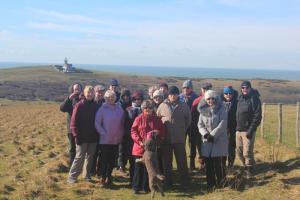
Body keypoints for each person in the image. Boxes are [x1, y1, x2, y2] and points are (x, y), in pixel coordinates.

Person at [157, 86, 191, 188]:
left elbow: (188, 119)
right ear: (168, 95)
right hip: (166, 139)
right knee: (167, 162)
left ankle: (185, 183)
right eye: (171, 94)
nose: (173, 96)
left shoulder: (183, 105)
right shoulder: (162, 106)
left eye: (175, 94)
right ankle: (168, 182)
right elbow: (157, 119)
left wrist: (182, 129)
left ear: (178, 94)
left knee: (182, 162)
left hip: (179, 139)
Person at [131, 100, 165, 194]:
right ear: (142, 109)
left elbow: (162, 130)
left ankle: (147, 187)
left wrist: (158, 133)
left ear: (152, 109)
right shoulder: (138, 119)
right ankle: (136, 187)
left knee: (150, 169)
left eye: (150, 108)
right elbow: (133, 131)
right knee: (138, 168)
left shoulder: (157, 119)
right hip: (139, 147)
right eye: (146, 108)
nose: (148, 109)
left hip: (151, 149)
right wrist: (139, 141)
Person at [197, 90, 228, 192]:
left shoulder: (222, 109)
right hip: (207, 141)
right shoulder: (203, 110)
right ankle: (210, 184)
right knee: (209, 165)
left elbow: (223, 123)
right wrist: (206, 134)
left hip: (219, 140)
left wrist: (213, 135)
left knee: (219, 164)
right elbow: (200, 125)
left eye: (212, 98)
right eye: (208, 99)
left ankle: (222, 183)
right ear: (205, 100)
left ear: (216, 99)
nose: (210, 100)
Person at [67, 86, 99, 183]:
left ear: (94, 94)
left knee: (90, 157)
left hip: (93, 137)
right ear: (84, 94)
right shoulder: (79, 105)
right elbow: (73, 123)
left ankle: (86, 175)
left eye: (91, 92)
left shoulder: (96, 106)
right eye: (88, 92)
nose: (90, 94)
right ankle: (72, 177)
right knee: (79, 157)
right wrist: (76, 136)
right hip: (81, 137)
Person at [95, 90, 125, 187]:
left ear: (115, 98)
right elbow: (97, 123)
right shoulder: (102, 109)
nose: (111, 99)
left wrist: (121, 133)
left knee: (112, 160)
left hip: (116, 139)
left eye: (113, 97)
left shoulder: (119, 109)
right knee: (104, 160)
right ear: (105, 98)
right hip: (105, 140)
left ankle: (109, 177)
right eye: (108, 97)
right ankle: (103, 178)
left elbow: (123, 122)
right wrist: (103, 133)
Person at [236, 81, 262, 177]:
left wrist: (251, 130)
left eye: (246, 87)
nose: (244, 89)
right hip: (238, 130)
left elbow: (257, 116)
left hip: (248, 130)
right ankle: (246, 166)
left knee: (247, 152)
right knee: (239, 151)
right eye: (242, 87)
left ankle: (249, 170)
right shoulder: (239, 98)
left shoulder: (254, 99)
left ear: (250, 88)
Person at [189, 82, 212, 170]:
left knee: (206, 146)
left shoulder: (215, 100)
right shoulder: (197, 101)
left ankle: (206, 165)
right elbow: (192, 116)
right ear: (202, 90)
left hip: (210, 128)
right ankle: (196, 165)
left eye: (208, 89)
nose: (206, 91)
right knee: (198, 146)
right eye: (204, 89)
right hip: (197, 128)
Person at [60, 83, 83, 168]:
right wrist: (69, 98)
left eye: (79, 89)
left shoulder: (83, 99)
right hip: (71, 129)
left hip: (82, 128)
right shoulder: (70, 100)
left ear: (81, 90)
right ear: (72, 90)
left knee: (81, 148)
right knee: (72, 148)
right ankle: (72, 166)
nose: (77, 91)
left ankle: (80, 165)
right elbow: (62, 108)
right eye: (75, 89)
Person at [90, 84, 106, 177]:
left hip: (103, 132)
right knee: (93, 152)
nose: (100, 94)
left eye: (101, 92)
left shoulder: (105, 103)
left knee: (102, 153)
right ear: (95, 92)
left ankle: (100, 171)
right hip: (93, 132)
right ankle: (91, 171)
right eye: (98, 92)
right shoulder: (91, 103)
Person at [221, 85, 238, 168]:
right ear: (223, 94)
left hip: (232, 129)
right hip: (221, 129)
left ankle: (230, 166)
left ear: (233, 94)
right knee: (222, 148)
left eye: (230, 93)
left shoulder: (237, 103)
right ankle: (222, 165)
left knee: (231, 148)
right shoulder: (219, 103)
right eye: (226, 93)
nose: (228, 95)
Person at [118, 88, 133, 176]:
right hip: (121, 130)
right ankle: (121, 166)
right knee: (121, 150)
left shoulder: (132, 104)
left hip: (130, 130)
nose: (126, 97)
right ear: (122, 96)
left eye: (127, 95)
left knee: (129, 150)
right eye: (124, 96)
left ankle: (130, 167)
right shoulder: (119, 105)